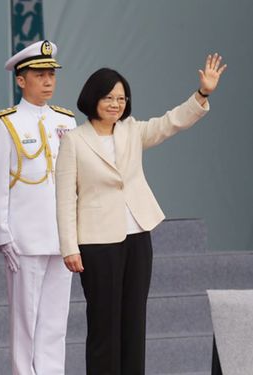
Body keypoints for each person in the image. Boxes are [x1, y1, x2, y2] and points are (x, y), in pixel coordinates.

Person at [56, 54, 227, 374]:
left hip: (137, 235)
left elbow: (169, 123)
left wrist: (201, 94)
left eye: (121, 98)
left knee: (134, 320)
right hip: (96, 241)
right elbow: (65, 198)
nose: (116, 104)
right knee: (104, 324)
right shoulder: (75, 141)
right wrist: (69, 246)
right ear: (93, 98)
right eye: (109, 97)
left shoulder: (131, 130)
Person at [0, 40, 77, 375]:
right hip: (25, 238)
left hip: (62, 237)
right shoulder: (5, 122)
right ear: (21, 80)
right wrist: (3, 235)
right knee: (25, 322)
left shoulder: (66, 120)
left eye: (51, 74)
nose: (48, 80)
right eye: (39, 74)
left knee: (55, 320)